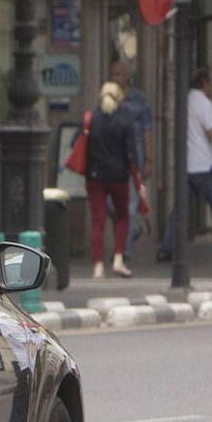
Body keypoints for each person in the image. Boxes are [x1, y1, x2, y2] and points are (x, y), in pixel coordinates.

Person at [157, 69, 212, 262]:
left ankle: (166, 248)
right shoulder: (203, 103)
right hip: (205, 165)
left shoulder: (184, 100)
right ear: (204, 83)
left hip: (187, 165)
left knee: (179, 209)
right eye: (210, 84)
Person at [84, 82, 138, 279]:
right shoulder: (125, 120)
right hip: (119, 177)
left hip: (95, 177)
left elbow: (80, 145)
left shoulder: (92, 119)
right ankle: (117, 259)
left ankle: (97, 267)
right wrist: (138, 180)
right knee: (122, 217)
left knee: (97, 222)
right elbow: (131, 153)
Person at [110, 60, 153, 248]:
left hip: (134, 150)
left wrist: (148, 159)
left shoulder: (139, 99)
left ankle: (123, 250)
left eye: (119, 74)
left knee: (131, 201)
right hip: (112, 151)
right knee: (109, 203)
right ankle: (133, 230)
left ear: (127, 77)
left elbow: (147, 130)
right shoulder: (107, 96)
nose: (115, 78)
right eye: (113, 74)